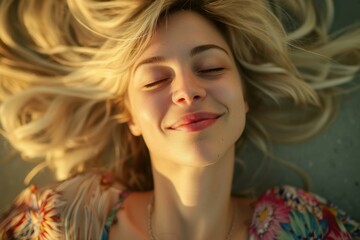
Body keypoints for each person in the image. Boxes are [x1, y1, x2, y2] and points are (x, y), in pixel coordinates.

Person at [0, 0, 359, 239]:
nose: (187, 90)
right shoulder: (63, 221)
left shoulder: (306, 227)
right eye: (156, 80)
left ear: (245, 97)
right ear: (131, 117)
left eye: (211, 68)